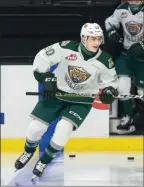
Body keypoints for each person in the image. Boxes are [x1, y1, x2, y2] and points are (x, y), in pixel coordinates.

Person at [14, 22, 118, 179]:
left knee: (64, 129)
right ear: (84, 39)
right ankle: (28, 151)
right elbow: (43, 56)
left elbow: (110, 82)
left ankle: (44, 161)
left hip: (81, 101)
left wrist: (110, 90)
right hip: (57, 94)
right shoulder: (67, 47)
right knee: (36, 128)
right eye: (92, 39)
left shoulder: (105, 59)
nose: (96, 43)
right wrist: (45, 76)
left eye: (99, 39)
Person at [105, 0, 144, 134]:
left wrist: (142, 46)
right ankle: (128, 118)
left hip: (143, 58)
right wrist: (111, 31)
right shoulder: (122, 9)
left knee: (142, 93)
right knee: (121, 87)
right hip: (126, 54)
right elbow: (109, 21)